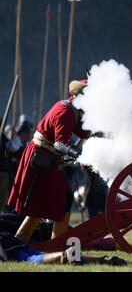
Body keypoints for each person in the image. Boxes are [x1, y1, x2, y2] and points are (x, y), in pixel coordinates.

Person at [7, 80, 89, 243]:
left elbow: (83, 132)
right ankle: (56, 242)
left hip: (45, 156)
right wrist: (75, 152)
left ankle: (22, 240)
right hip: (39, 156)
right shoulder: (65, 112)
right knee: (63, 196)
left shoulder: (72, 110)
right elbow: (60, 143)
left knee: (45, 201)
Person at [0, 230, 126, 265]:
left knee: (31, 259)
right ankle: (104, 260)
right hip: (9, 239)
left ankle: (63, 256)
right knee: (35, 254)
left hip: (5, 244)